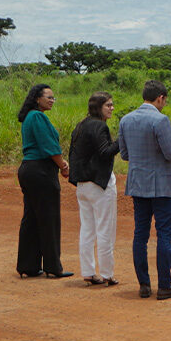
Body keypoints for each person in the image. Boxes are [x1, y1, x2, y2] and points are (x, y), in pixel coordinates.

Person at [117, 80, 171, 300]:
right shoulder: (160, 119)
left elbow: (125, 154)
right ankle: (164, 286)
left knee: (140, 235)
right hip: (161, 186)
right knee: (164, 235)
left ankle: (144, 285)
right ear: (160, 98)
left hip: (138, 185)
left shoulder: (126, 120)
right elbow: (170, 153)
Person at [16, 84, 73, 279]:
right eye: (48, 97)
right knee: (49, 218)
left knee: (31, 218)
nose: (52, 100)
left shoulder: (29, 117)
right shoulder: (38, 117)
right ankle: (53, 266)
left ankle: (28, 265)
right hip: (40, 171)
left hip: (28, 170)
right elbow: (50, 146)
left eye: (53, 97)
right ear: (37, 99)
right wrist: (63, 165)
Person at [68, 91, 120, 286]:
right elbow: (105, 152)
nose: (112, 108)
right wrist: (122, 142)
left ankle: (89, 272)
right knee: (105, 229)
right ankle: (107, 274)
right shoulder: (99, 126)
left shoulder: (81, 125)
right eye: (108, 105)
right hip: (99, 184)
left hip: (82, 185)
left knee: (88, 229)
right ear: (99, 108)